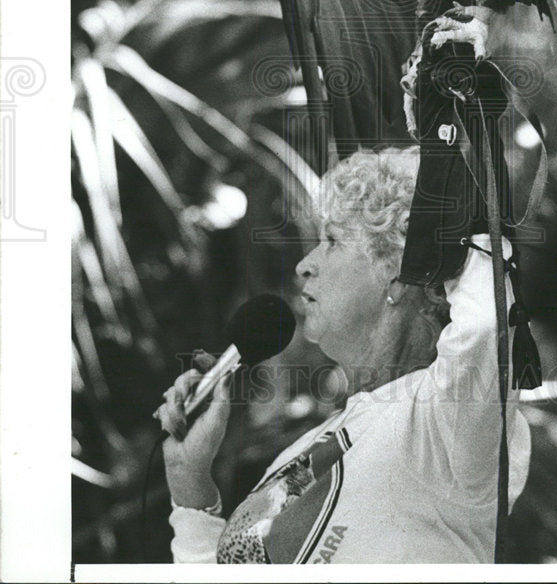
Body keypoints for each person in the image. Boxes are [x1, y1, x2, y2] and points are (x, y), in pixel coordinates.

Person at [156, 146, 531, 564]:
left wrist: (448, 184)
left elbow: (485, 323)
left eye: (331, 240)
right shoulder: (320, 439)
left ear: (401, 275)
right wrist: (190, 490)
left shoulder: (442, 422)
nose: (303, 265)